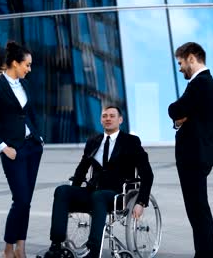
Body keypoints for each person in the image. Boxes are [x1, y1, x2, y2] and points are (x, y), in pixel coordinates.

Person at [43, 106, 154, 258]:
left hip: (118, 195)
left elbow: (147, 173)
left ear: (120, 120)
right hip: (93, 191)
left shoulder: (131, 141)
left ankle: (93, 251)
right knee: (62, 191)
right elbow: (82, 170)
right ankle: (56, 245)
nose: (108, 118)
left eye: (112, 116)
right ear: (101, 120)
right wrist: (74, 192)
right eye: (104, 116)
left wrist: (141, 202)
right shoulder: (93, 141)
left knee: (99, 196)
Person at [0, 41, 44, 258]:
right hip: (13, 151)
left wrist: (39, 137)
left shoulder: (25, 85)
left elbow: (31, 113)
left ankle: (21, 248)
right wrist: (2, 147)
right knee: (21, 199)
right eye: (27, 65)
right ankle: (8, 247)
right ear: (15, 63)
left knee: (26, 200)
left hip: (33, 149)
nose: (29, 69)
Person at [168, 42, 213, 258]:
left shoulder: (200, 83)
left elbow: (174, 109)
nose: (180, 68)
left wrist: (180, 115)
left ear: (191, 58)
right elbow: (182, 115)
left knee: (198, 211)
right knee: (198, 211)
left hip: (193, 156)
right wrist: (182, 118)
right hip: (198, 155)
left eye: (180, 63)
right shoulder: (206, 84)